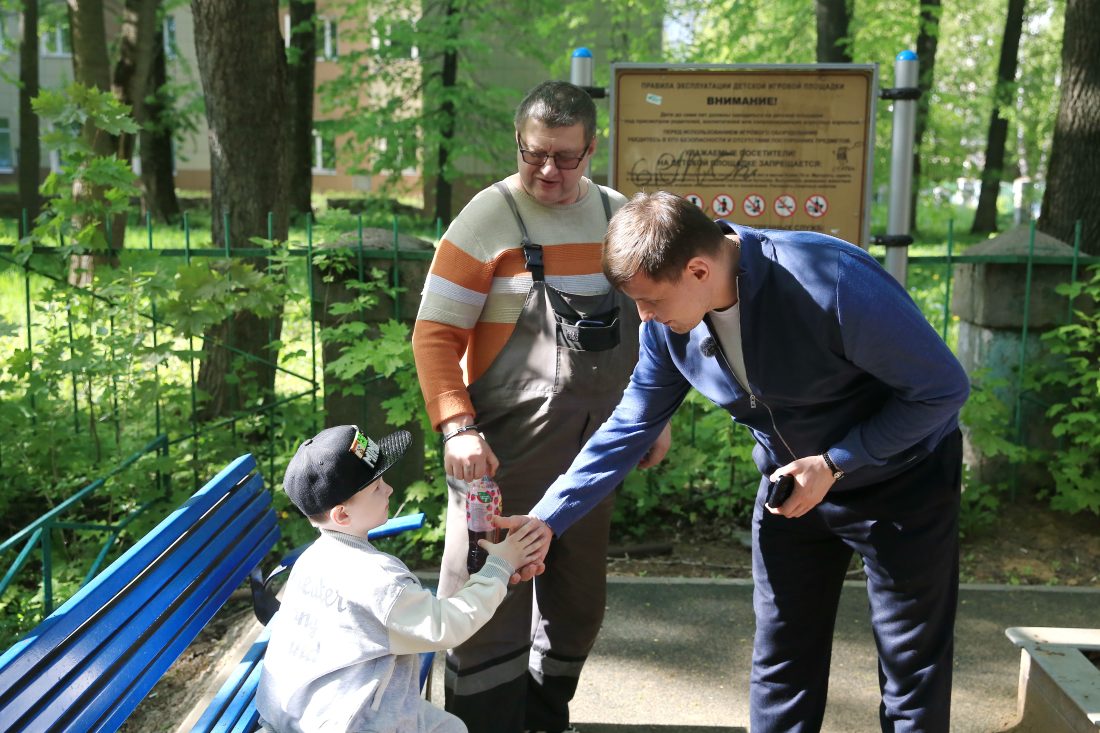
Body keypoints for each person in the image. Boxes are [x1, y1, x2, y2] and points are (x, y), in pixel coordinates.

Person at [524, 191, 971, 732]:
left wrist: (836, 462)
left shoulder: (828, 279)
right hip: (792, 491)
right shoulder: (668, 327)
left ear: (697, 270)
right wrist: (547, 520)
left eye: (650, 301)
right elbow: (631, 425)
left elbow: (942, 389)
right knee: (782, 659)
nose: (644, 317)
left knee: (910, 665)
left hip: (903, 480)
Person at [411, 81, 671, 733]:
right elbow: (434, 334)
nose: (548, 170)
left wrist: (656, 417)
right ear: (519, 144)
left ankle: (544, 718)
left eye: (565, 156)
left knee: (577, 605)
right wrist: (457, 426)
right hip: (500, 456)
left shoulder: (618, 216)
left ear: (591, 149)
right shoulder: (486, 218)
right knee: (487, 605)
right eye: (534, 154)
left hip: (594, 455)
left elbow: (654, 322)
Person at [255, 424, 545, 733]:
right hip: (351, 723)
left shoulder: (310, 561)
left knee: (451, 727)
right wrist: (500, 565)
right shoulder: (379, 580)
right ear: (342, 515)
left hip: (297, 711)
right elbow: (446, 625)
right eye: (376, 487)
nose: (389, 489)